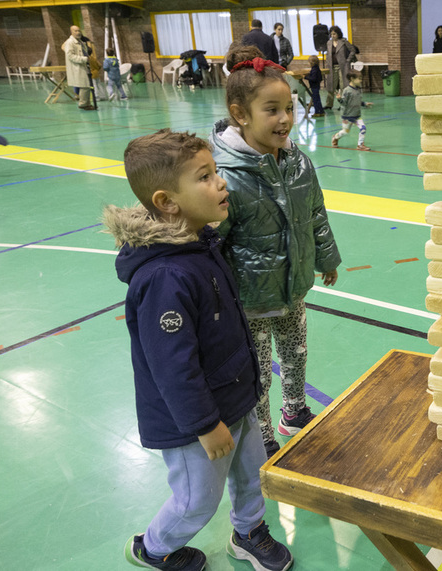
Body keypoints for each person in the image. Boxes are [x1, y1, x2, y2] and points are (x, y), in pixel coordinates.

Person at [103, 129, 293, 571]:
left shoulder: (200, 244)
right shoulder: (165, 277)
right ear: (168, 202)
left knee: (252, 474)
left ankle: (249, 532)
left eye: (216, 172)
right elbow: (172, 366)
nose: (221, 183)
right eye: (205, 177)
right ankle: (153, 547)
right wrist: (206, 425)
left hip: (235, 398)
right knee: (196, 499)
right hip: (194, 422)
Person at [211, 44, 342, 456]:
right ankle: (263, 435)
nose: (285, 118)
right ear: (240, 114)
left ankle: (295, 410)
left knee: (296, 353)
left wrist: (326, 257)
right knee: (257, 375)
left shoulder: (297, 162)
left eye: (289, 107)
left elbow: (315, 212)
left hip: (292, 289)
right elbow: (212, 245)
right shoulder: (225, 177)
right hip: (249, 301)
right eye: (272, 109)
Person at [332, 70, 373, 151]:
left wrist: (364, 104)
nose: (361, 80)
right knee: (345, 132)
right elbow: (344, 103)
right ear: (352, 79)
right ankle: (335, 137)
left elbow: (357, 101)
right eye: (359, 78)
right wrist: (339, 99)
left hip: (357, 115)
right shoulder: (347, 90)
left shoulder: (358, 89)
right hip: (347, 116)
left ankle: (360, 145)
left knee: (363, 128)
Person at [62, 25, 95, 110]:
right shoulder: (69, 42)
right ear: (71, 32)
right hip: (78, 67)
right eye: (75, 31)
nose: (78, 33)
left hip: (84, 66)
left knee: (87, 86)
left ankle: (87, 103)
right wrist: (84, 59)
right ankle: (83, 104)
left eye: (79, 31)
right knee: (84, 85)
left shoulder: (80, 41)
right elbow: (70, 56)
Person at [325, 26, 355, 110]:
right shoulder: (329, 43)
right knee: (331, 85)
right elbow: (328, 54)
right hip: (332, 67)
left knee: (343, 85)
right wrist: (327, 63)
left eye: (334, 34)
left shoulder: (344, 42)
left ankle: (343, 104)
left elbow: (353, 50)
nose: (333, 36)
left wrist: (348, 60)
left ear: (338, 34)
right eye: (331, 34)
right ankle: (329, 104)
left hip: (343, 66)